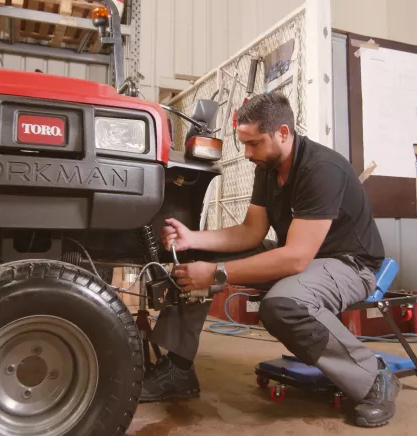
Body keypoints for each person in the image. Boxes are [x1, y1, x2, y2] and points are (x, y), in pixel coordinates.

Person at [142, 92, 399, 427]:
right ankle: (178, 368)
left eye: (254, 144)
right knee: (195, 258)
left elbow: (294, 259)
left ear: (282, 132)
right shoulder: (268, 165)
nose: (247, 154)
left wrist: (216, 273)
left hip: (350, 264)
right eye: (244, 144)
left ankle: (372, 378)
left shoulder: (321, 169)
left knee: (282, 306)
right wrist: (193, 239)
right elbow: (251, 232)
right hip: (303, 255)